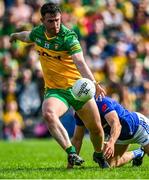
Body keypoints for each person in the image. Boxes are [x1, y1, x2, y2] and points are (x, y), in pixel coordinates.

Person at [9, 2, 108, 168]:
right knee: (48, 113)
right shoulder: (38, 33)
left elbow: (80, 62)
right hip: (56, 91)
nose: (55, 24)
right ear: (42, 20)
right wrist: (14, 35)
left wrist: (94, 82)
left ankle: (98, 155)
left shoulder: (68, 37)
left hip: (78, 89)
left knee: (97, 130)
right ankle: (71, 153)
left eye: (57, 20)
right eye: (50, 21)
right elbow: (27, 36)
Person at [70, 96, 149, 168]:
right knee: (111, 164)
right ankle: (138, 153)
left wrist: (111, 142)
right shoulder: (80, 113)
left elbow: (117, 125)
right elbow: (77, 139)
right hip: (121, 137)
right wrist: (69, 167)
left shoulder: (102, 102)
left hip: (139, 128)